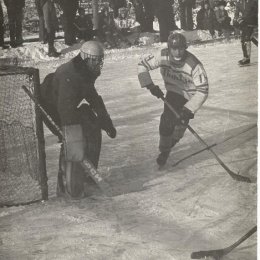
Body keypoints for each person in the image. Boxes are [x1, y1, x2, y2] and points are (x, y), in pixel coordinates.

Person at [40, 41, 117, 198]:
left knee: (91, 122)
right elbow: (65, 109)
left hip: (63, 106)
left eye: (100, 59)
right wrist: (71, 137)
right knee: (74, 141)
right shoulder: (71, 75)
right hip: (50, 108)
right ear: (85, 58)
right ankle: (67, 187)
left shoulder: (84, 71)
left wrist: (105, 120)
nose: (99, 63)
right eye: (95, 60)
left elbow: (92, 96)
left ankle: (87, 175)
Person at [137, 32, 209, 166]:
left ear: (185, 47)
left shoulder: (194, 64)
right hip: (174, 92)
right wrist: (150, 85)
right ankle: (164, 150)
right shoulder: (162, 54)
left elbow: (203, 90)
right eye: (174, 48)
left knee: (179, 125)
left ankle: (171, 144)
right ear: (169, 48)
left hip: (190, 96)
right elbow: (142, 65)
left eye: (181, 48)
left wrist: (189, 109)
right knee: (166, 122)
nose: (178, 52)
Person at [233, 0, 258, 65]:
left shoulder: (253, 1)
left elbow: (255, 12)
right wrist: (239, 20)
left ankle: (247, 58)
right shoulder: (239, 2)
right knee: (243, 39)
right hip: (244, 24)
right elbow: (236, 14)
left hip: (252, 23)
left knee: (247, 39)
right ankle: (245, 57)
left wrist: (245, 19)